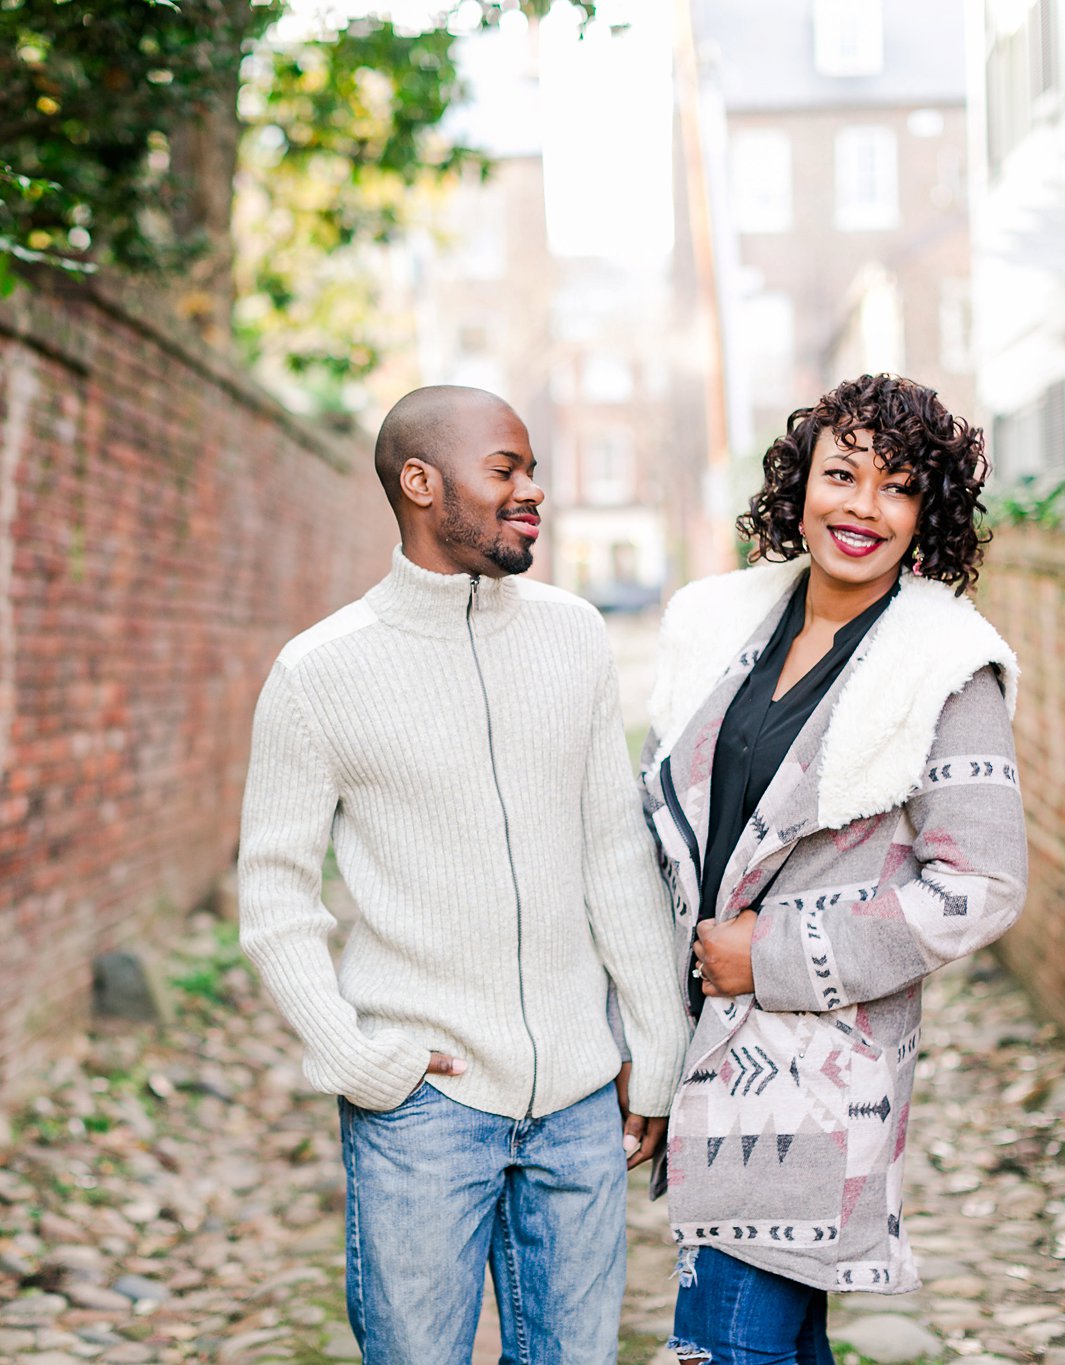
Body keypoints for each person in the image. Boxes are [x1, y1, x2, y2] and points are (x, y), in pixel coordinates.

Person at [238, 385, 691, 1365]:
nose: (532, 490)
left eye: (530, 469)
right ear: (419, 482)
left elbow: (613, 850)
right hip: (421, 1114)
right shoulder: (318, 673)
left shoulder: (573, 635)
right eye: (505, 470)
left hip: (577, 1104)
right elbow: (273, 897)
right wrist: (356, 1060)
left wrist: (655, 1045)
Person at [638, 374, 1028, 1365]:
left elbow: (976, 887)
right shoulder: (717, 626)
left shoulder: (944, 664)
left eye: (894, 487)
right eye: (839, 474)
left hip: (811, 1076)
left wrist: (773, 953)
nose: (859, 506)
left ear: (923, 515)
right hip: (695, 1048)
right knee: (766, 1343)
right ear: (798, 484)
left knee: (722, 1346)